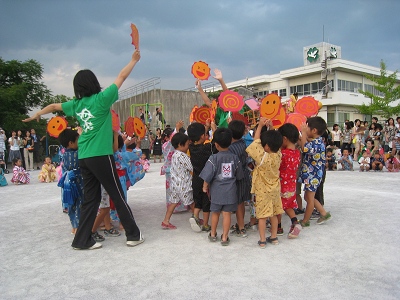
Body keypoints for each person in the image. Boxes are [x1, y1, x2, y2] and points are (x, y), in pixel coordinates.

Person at [23, 49, 144, 250]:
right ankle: (133, 235)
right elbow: (121, 76)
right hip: (100, 154)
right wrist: (133, 60)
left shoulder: (76, 104)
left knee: (92, 198)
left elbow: (54, 106)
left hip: (84, 156)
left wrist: (38, 114)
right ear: (94, 83)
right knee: (117, 193)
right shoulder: (102, 99)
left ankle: (82, 240)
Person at [200, 128, 244, 246]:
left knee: (215, 213)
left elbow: (207, 175)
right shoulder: (235, 158)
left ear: (216, 144)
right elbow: (239, 175)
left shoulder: (213, 158)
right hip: (230, 192)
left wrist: (205, 187)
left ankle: (213, 234)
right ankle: (225, 237)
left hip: (217, 192)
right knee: (227, 214)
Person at [246, 117, 284, 248]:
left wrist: (260, 126)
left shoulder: (263, 158)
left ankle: (262, 240)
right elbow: (275, 141)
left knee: (262, 216)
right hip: (274, 190)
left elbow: (256, 141)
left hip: (262, 191)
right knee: (273, 214)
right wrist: (271, 127)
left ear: (266, 147)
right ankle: (273, 237)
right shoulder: (278, 154)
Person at [298, 116, 331, 227]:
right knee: (308, 197)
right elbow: (306, 142)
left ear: (314, 130)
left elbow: (304, 148)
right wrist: (302, 135)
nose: (305, 130)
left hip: (313, 175)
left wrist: (302, 134)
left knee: (310, 198)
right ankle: (323, 213)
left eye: (307, 128)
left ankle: (305, 221)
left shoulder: (317, 143)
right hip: (312, 175)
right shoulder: (317, 141)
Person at [187, 122, 217, 232]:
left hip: (195, 178)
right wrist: (214, 129)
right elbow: (215, 143)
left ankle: (195, 216)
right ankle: (205, 224)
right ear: (202, 136)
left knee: (198, 199)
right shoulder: (206, 148)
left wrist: (206, 128)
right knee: (206, 201)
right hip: (206, 179)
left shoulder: (191, 147)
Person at [162, 132, 194, 229]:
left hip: (175, 184)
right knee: (191, 202)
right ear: (180, 144)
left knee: (173, 202)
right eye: (188, 144)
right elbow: (191, 167)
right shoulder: (183, 156)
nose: (188, 147)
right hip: (184, 185)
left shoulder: (174, 155)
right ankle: (196, 218)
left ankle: (166, 220)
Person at [277, 123, 302, 239]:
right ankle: (295, 222)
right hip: (292, 184)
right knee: (288, 206)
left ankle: (278, 226)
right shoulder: (297, 153)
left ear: (284, 139)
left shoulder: (283, 154)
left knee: (278, 205)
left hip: (282, 183)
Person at [228, 120, 251, 238]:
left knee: (237, 203)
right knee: (241, 202)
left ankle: (241, 227)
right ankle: (240, 224)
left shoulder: (230, 148)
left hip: (236, 177)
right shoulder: (243, 143)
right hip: (244, 175)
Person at [58, 128, 83, 234]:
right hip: (77, 182)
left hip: (68, 183)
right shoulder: (76, 153)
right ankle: (78, 228)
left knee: (71, 205)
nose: (79, 142)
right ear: (71, 143)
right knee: (79, 204)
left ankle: (74, 226)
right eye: (77, 140)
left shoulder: (64, 154)